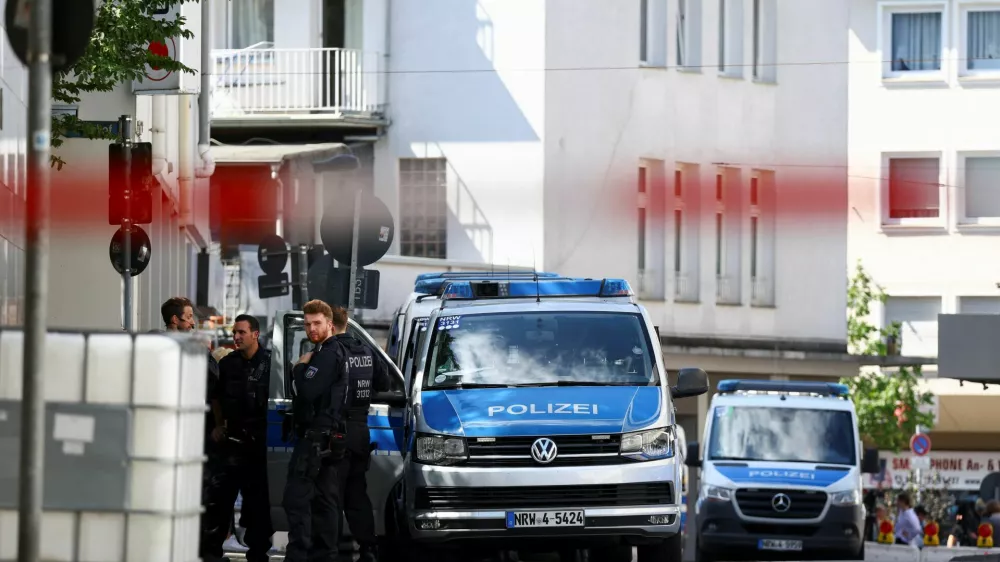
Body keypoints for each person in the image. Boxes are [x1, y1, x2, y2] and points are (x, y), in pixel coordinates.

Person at [282, 299, 351, 562]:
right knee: (325, 503)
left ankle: (300, 556)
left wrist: (299, 368)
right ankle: (325, 555)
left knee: (297, 500)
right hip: (325, 439)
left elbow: (308, 391)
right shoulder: (329, 352)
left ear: (330, 324)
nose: (311, 328)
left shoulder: (327, 354)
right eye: (308, 324)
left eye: (317, 323)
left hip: (316, 441)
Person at [202, 314, 274, 562]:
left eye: (242, 332)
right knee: (219, 502)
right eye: (235, 332)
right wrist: (219, 424)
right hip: (230, 446)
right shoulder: (228, 364)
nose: (236, 337)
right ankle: (212, 554)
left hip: (258, 447)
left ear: (255, 334)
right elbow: (216, 397)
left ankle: (258, 554)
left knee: (258, 507)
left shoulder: (270, 364)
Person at [336, 309, 391, 562]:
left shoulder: (330, 351)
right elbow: (384, 383)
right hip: (360, 431)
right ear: (347, 323)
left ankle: (335, 551)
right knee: (357, 495)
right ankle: (368, 548)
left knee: (330, 496)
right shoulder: (366, 350)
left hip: (336, 432)